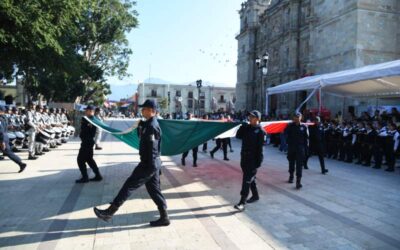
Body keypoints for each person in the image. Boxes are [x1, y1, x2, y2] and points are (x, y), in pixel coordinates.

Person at [94, 99, 169, 227]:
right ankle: (164, 217)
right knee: (154, 190)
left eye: (144, 109)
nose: (142, 110)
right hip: (152, 163)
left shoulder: (152, 126)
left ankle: (110, 211)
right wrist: (141, 127)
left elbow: (153, 149)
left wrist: (149, 168)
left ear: (152, 111)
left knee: (129, 185)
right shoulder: (148, 124)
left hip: (148, 163)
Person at [234, 110, 265, 211]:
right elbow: (238, 136)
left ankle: (242, 202)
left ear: (258, 119)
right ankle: (255, 195)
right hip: (244, 157)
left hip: (253, 159)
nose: (250, 118)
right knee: (250, 178)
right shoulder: (247, 128)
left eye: (252, 117)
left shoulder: (261, 131)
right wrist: (241, 127)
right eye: (250, 116)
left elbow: (260, 149)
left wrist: (258, 162)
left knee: (246, 180)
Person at [75, 105, 103, 183]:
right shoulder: (91, 119)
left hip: (87, 142)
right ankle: (98, 175)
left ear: (91, 111)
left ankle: (85, 177)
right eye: (86, 110)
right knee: (89, 159)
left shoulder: (91, 120)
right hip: (88, 141)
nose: (85, 111)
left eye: (87, 110)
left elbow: (87, 131)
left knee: (80, 160)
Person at [284, 112, 308, 189]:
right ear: (293, 118)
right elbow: (285, 134)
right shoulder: (290, 126)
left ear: (301, 117)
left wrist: (306, 149)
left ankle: (298, 181)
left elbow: (306, 139)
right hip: (291, 147)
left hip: (300, 148)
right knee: (291, 163)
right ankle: (291, 176)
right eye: (295, 117)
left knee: (299, 165)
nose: (297, 118)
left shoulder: (304, 127)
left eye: (298, 117)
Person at [0, 106, 27, 173]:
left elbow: (1, 131)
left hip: (2, 137)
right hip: (5, 136)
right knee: (8, 151)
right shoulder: (4, 117)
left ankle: (21, 163)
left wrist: (2, 141)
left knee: (8, 152)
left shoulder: (1, 119)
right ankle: (20, 163)